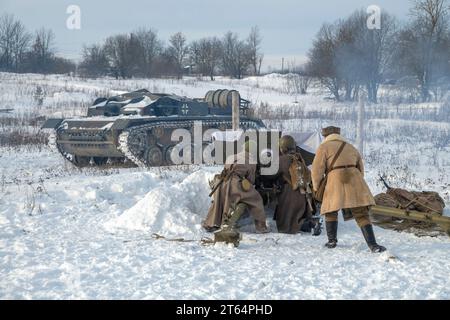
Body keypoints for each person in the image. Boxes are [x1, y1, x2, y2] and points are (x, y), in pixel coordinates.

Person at [311, 126, 386, 253]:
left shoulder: (324, 147)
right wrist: (358, 182)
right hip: (354, 179)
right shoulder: (350, 147)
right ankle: (373, 245)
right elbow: (361, 168)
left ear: (326, 136)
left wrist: (317, 187)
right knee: (361, 214)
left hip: (334, 180)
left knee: (330, 210)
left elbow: (317, 170)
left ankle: (332, 241)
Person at [202, 140, 268, 236]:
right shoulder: (251, 160)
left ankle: (212, 223)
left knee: (218, 202)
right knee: (256, 199)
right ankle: (261, 227)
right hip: (235, 184)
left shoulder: (231, 157)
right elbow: (251, 180)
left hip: (221, 183)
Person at [273, 135, 315, 234]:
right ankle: (310, 223)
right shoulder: (299, 158)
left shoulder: (282, 159)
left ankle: (308, 225)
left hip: (290, 195)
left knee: (285, 226)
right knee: (295, 217)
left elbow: (271, 175)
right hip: (303, 195)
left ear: (283, 148)